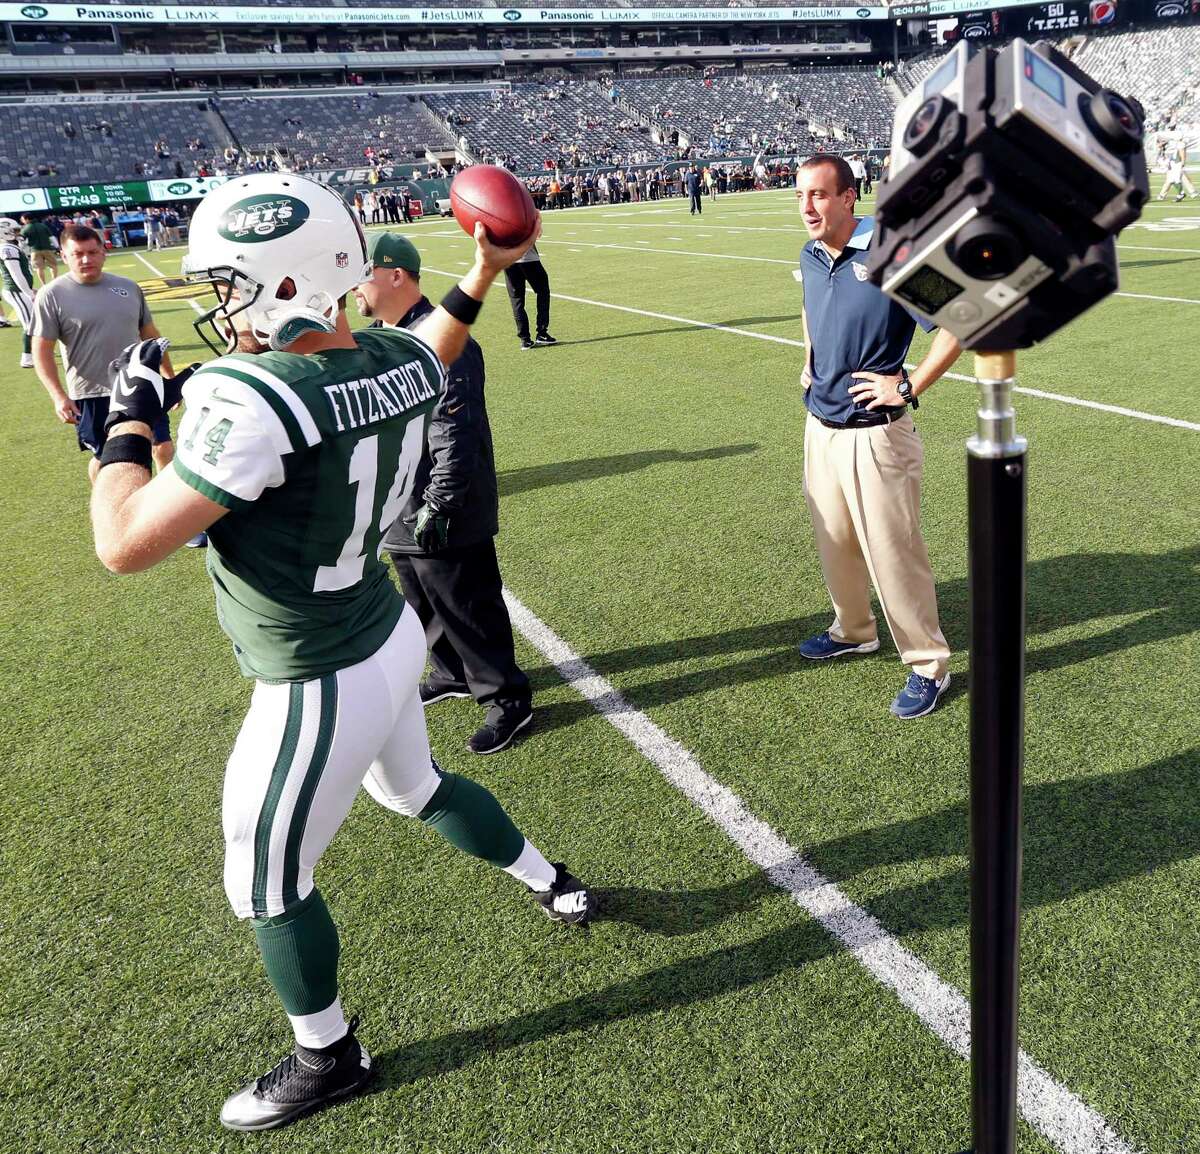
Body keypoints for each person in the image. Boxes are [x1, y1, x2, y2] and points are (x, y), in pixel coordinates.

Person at [88, 174, 594, 1133]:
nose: (220, 303)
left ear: (283, 285)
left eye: (232, 283)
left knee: (266, 880)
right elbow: (433, 342)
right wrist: (483, 268)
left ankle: (330, 1054)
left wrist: (122, 419)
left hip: (317, 672)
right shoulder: (397, 360)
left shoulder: (251, 393)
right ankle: (550, 881)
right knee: (418, 790)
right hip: (386, 631)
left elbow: (123, 543)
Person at [794, 155, 961, 719]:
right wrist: (811, 358)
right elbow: (812, 308)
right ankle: (855, 629)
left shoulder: (895, 251)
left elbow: (959, 320)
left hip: (877, 435)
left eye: (818, 195)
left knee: (894, 552)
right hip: (821, 426)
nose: (808, 207)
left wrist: (908, 385)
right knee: (834, 541)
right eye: (800, 196)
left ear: (848, 198)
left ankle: (928, 664)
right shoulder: (811, 256)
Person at [355, 233, 534, 755]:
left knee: (468, 603)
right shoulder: (378, 339)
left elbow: (453, 429)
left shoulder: (442, 338)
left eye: (363, 274)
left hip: (443, 503)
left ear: (395, 276)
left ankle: (507, 699)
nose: (354, 288)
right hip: (400, 501)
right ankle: (452, 672)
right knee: (422, 600)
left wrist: (442, 502)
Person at [31, 224, 175, 485]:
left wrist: (169, 378)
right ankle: (106, 509)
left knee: (162, 446)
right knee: (107, 458)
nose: (86, 259)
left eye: (92, 252)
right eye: (77, 254)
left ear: (103, 253)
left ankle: (168, 509)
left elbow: (151, 336)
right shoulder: (51, 295)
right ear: (64, 256)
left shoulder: (128, 287)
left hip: (140, 384)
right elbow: (41, 351)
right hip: (92, 394)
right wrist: (58, 397)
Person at [503, 241, 555, 351]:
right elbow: (537, 232)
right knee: (543, 292)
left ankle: (525, 339)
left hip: (508, 260)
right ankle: (542, 333)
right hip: (528, 258)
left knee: (516, 300)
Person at [0, 217, 36, 368]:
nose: (17, 233)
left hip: (19, 290)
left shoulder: (9, 247)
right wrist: (28, 292)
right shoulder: (6, 248)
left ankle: (36, 350)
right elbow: (15, 274)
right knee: (30, 325)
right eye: (14, 230)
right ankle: (27, 358)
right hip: (16, 291)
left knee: (34, 322)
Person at [20, 213, 58, 286]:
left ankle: (43, 284)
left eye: (22, 219)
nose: (22, 221)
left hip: (34, 250)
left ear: (27, 219)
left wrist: (22, 249)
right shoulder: (43, 226)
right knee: (53, 265)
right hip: (47, 248)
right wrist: (57, 247)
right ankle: (54, 282)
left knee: (39, 268)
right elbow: (51, 237)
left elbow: (21, 241)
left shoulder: (25, 228)